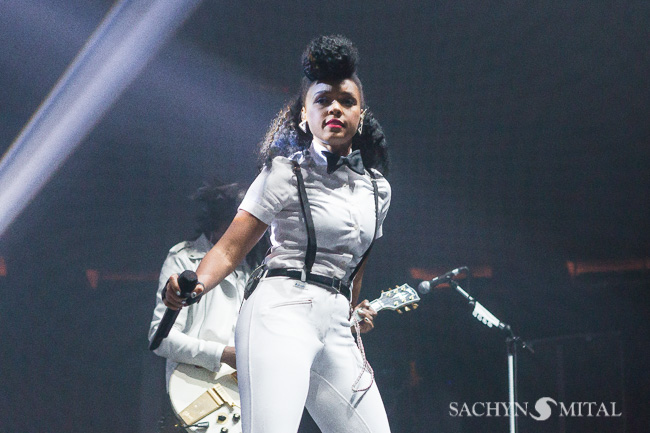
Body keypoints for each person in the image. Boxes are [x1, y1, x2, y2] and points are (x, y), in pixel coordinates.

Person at [163, 35, 392, 433]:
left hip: (337, 327)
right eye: (322, 100)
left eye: (346, 101)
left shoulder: (378, 190)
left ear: (361, 113)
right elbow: (230, 249)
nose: (334, 107)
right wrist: (194, 284)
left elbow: (355, 266)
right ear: (305, 115)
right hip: (280, 313)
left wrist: (353, 316)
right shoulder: (285, 173)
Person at [148, 181, 267, 431]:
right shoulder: (183, 258)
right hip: (195, 397)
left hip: (242, 402)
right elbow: (161, 339)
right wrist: (223, 354)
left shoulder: (255, 272)